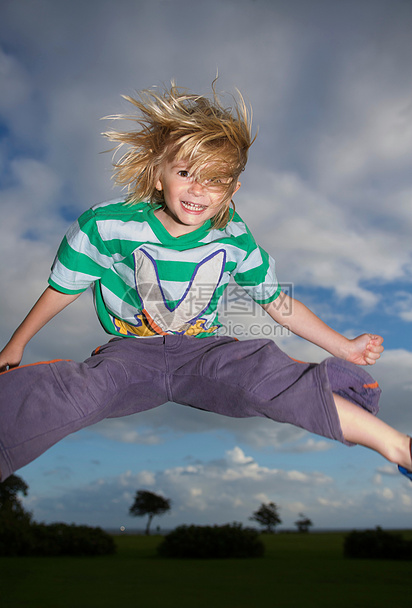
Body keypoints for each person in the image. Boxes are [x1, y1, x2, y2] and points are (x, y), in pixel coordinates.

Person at [0, 83, 411, 483]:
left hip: (203, 350)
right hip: (130, 354)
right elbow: (64, 288)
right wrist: (16, 344)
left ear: (232, 190)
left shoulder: (234, 237)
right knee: (76, 395)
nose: (199, 189)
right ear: (157, 175)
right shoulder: (108, 224)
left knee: (267, 377)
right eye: (185, 173)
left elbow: (277, 303)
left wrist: (343, 346)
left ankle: (399, 447)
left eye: (215, 179)